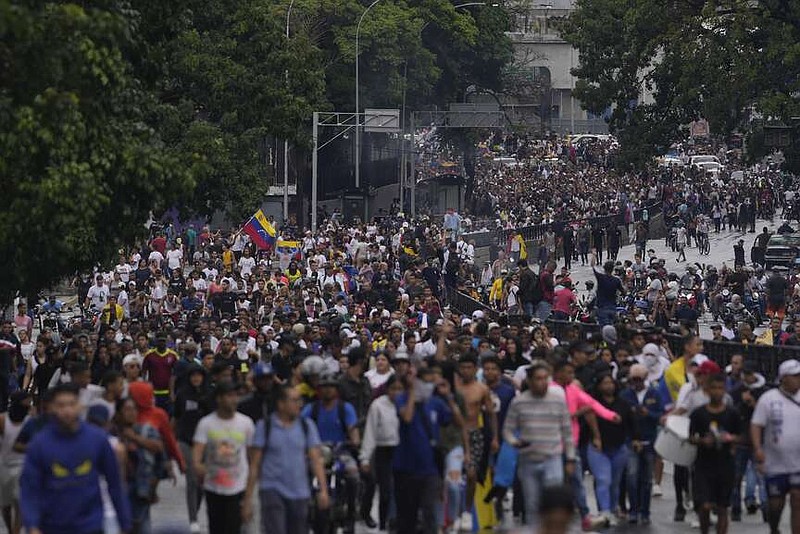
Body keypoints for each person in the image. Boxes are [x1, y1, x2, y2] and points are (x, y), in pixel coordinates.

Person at [20, 383, 132, 534]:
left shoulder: (97, 439)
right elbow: (29, 489)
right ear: (52, 408)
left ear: (80, 406)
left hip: (90, 525)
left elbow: (115, 484)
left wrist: (125, 523)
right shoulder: (39, 445)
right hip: (52, 526)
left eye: (72, 404)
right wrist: (32, 525)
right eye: (61, 405)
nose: (67, 410)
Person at [244, 384, 329, 534]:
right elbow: (255, 464)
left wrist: (323, 490)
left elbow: (316, 460)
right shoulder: (265, 426)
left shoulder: (306, 426)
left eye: (300, 400)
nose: (299, 404)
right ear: (281, 404)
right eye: (294, 400)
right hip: (272, 490)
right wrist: (248, 499)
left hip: (300, 492)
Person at [503, 362, 574, 529]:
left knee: (554, 502)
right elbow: (508, 430)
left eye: (544, 379)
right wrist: (515, 442)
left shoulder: (558, 401)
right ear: (529, 380)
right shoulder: (519, 403)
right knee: (532, 503)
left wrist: (570, 459)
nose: (541, 382)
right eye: (538, 379)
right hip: (528, 459)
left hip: (553, 458)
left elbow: (567, 432)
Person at [393, 367, 456, 534]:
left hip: (430, 468)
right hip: (405, 467)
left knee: (429, 511)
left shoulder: (436, 403)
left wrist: (448, 396)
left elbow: (457, 420)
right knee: (408, 516)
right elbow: (406, 417)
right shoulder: (402, 398)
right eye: (424, 381)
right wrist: (413, 391)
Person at [192, 381, 255, 534]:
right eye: (229, 396)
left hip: (238, 487)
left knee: (234, 528)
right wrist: (200, 469)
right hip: (213, 488)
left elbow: (253, 460)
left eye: (236, 396)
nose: (234, 400)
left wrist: (249, 496)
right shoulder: (206, 424)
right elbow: (196, 457)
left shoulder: (246, 423)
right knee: (216, 528)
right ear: (219, 398)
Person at [751, 359, 800, 534]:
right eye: (795, 376)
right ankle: (774, 528)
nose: (798, 379)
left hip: (797, 464)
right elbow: (757, 425)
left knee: (797, 499)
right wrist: (758, 449)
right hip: (775, 463)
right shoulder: (768, 399)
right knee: (775, 504)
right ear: (784, 378)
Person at [689, 373, 742, 534]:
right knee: (704, 506)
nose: (717, 392)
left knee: (722, 507)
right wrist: (702, 441)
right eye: (714, 388)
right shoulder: (699, 413)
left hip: (725, 464)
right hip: (703, 465)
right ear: (707, 390)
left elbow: (740, 436)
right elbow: (691, 437)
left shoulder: (732, 413)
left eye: (720, 388)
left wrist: (730, 438)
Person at [455, 353, 498, 529]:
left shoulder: (481, 389)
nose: (466, 371)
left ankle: (466, 510)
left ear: (475, 369)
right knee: (454, 477)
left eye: (469, 367)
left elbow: (490, 414)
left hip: (475, 434)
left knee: (472, 474)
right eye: (463, 367)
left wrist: (495, 437)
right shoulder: (454, 388)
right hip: (456, 434)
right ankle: (455, 511)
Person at [620, 364, 663, 525]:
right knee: (632, 476)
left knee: (646, 479)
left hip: (649, 440)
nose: (636, 383)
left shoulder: (654, 394)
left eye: (639, 379)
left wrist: (648, 413)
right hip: (631, 441)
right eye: (633, 379)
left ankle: (645, 511)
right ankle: (634, 509)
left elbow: (660, 415)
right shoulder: (625, 395)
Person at [359, 375, 402, 531]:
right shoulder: (378, 405)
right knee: (385, 491)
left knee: (400, 490)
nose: (396, 392)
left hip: (402, 451)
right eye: (393, 389)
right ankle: (383, 524)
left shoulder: (407, 404)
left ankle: (396, 522)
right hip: (383, 451)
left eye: (399, 389)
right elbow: (370, 432)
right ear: (387, 389)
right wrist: (365, 458)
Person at [173, 365, 209, 532]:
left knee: (202, 482)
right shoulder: (182, 394)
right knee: (191, 479)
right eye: (193, 376)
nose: (196, 379)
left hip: (205, 443)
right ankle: (193, 518)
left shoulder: (209, 394)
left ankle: (196, 508)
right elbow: (176, 417)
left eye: (199, 376)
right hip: (185, 440)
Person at [593, 261, 625, 326]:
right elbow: (624, 292)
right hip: (612, 308)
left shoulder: (601, 278)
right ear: (612, 269)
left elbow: (593, 266)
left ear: (604, 269)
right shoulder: (616, 280)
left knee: (603, 328)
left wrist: (593, 254)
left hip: (602, 308)